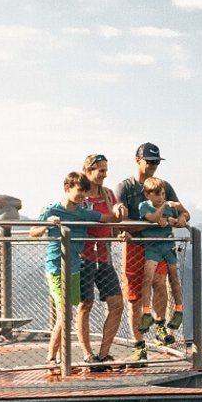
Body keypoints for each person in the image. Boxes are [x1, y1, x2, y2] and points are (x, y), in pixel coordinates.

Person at [30, 172, 123, 373]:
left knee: (67, 313)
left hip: (74, 268)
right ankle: (51, 358)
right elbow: (33, 232)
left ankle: (56, 357)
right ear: (67, 187)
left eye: (85, 192)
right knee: (65, 314)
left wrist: (120, 212)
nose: (83, 195)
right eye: (80, 191)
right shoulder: (53, 210)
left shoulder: (82, 212)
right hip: (56, 268)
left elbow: (107, 218)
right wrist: (47, 224)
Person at [114, 142, 190, 363]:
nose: (154, 166)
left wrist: (179, 220)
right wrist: (152, 224)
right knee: (135, 297)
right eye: (150, 161)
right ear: (137, 160)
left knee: (160, 283)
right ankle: (139, 344)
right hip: (136, 247)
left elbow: (184, 212)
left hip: (159, 244)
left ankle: (159, 327)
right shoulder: (126, 187)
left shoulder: (162, 185)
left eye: (157, 162)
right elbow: (120, 221)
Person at [77, 153, 124, 369]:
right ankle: (88, 353)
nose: (104, 175)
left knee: (116, 304)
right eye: (100, 170)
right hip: (83, 256)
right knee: (85, 304)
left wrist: (121, 230)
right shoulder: (81, 196)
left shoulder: (108, 195)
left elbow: (113, 222)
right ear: (88, 171)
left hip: (103, 256)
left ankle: (104, 353)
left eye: (105, 170)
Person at [137, 176, 187, 336]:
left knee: (174, 277)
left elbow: (183, 215)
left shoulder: (169, 207)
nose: (161, 198)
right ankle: (146, 312)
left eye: (163, 194)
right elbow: (152, 218)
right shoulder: (144, 206)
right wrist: (163, 211)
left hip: (168, 244)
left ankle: (179, 309)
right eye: (157, 195)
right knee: (148, 278)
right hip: (152, 247)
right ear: (147, 195)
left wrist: (179, 217)